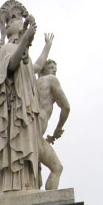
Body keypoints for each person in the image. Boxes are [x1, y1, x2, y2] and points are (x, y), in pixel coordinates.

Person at [0, 0, 53, 194]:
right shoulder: (6, 49)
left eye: (20, 17)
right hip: (16, 114)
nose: (17, 21)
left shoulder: (23, 52)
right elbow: (11, 65)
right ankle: (14, 186)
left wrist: (47, 47)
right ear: (7, 27)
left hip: (28, 111)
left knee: (30, 149)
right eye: (13, 19)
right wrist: (26, 38)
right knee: (18, 148)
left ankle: (28, 184)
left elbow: (36, 67)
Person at [36, 59, 70, 190]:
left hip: (30, 132)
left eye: (55, 68)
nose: (54, 70)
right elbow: (66, 107)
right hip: (37, 131)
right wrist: (58, 130)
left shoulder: (31, 84)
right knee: (57, 168)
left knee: (35, 175)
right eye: (50, 67)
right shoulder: (51, 80)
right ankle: (50, 203)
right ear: (43, 70)